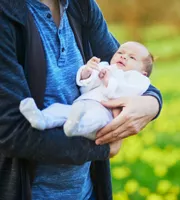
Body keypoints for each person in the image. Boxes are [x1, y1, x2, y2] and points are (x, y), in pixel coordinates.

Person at [0, 0, 163, 200]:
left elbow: (125, 66)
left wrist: (153, 102)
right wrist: (103, 147)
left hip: (86, 192)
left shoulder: (80, 5)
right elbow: (10, 133)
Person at [20, 41, 154, 140]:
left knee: (93, 119)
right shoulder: (105, 67)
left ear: (144, 73)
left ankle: (76, 128)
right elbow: (85, 87)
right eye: (120, 52)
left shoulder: (138, 80)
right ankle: (41, 119)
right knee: (59, 109)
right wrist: (87, 72)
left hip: (104, 113)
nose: (124, 57)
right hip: (82, 104)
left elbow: (124, 94)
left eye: (132, 57)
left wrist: (108, 81)